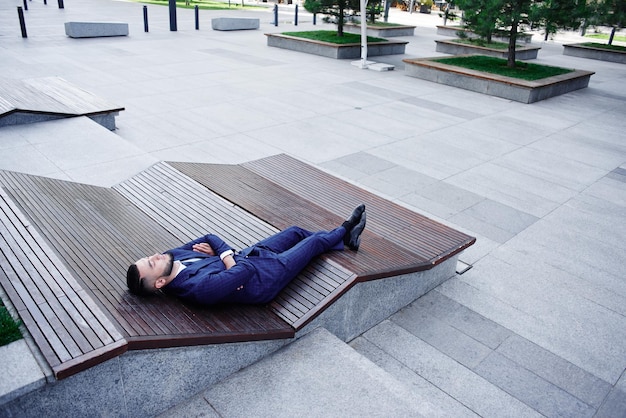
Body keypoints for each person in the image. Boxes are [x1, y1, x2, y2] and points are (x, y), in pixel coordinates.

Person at [126, 205, 366, 305]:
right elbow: (246, 271)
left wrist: (225, 259)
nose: (156, 255)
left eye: (149, 256)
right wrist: (224, 256)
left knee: (294, 232)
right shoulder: (197, 288)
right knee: (313, 242)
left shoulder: (171, 256)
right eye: (151, 262)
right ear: (159, 282)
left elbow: (210, 237)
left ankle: (343, 241)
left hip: (251, 256)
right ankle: (345, 230)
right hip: (266, 277)